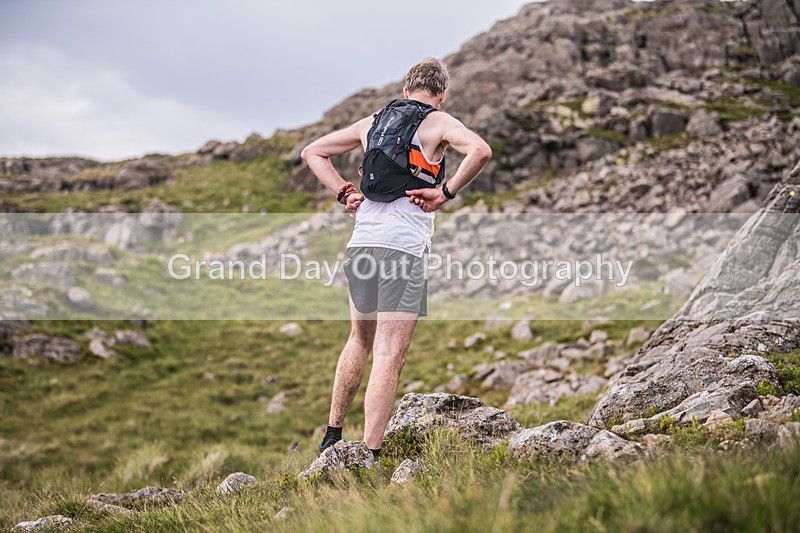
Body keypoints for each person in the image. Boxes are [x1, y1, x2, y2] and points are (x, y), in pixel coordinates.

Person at [300, 57, 492, 460]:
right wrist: (445, 193)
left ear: (405, 90)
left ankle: (332, 438)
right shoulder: (438, 122)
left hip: (362, 244)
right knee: (389, 354)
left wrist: (343, 191)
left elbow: (311, 152)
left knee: (358, 340)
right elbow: (480, 151)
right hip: (402, 249)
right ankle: (369, 456)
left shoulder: (372, 122)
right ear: (441, 94)